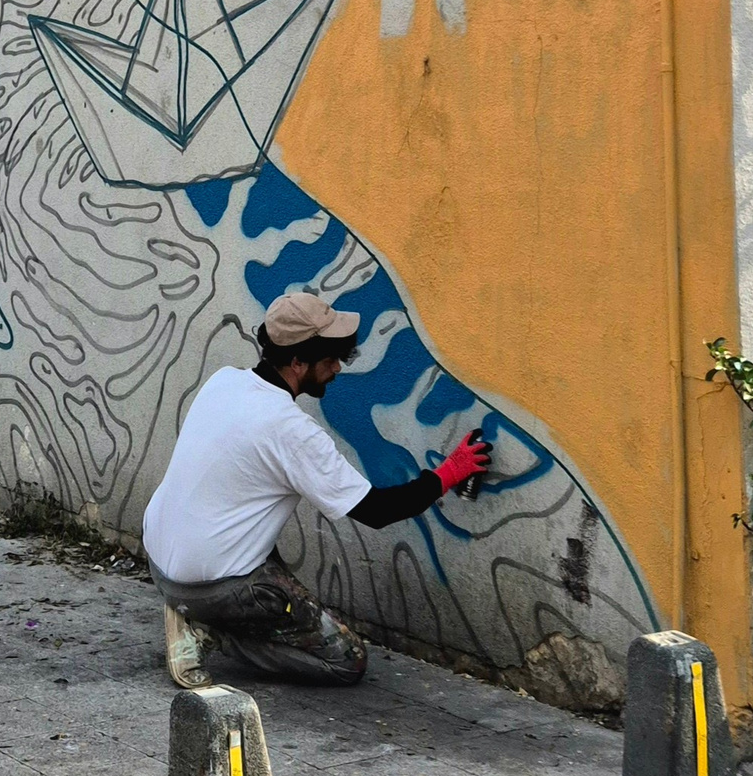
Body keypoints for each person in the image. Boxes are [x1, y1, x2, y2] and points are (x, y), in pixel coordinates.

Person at [142, 287, 492, 687]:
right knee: (347, 662)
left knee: (255, 524)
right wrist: (448, 474)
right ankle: (209, 630)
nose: (338, 368)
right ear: (297, 362)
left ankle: (199, 611)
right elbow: (376, 511)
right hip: (207, 587)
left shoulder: (225, 381)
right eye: (330, 359)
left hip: (161, 559)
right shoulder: (290, 430)